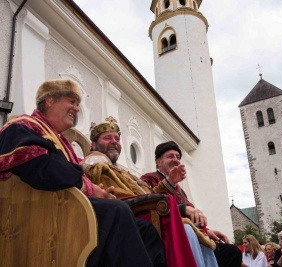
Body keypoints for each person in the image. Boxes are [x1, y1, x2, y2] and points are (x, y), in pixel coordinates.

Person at [0, 79, 166, 267]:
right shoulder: (23, 126)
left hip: (64, 205)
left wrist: (96, 190)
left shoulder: (58, 138)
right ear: (49, 101)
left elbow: (63, 170)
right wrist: (87, 186)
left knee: (146, 230)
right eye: (71, 101)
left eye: (78, 104)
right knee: (117, 211)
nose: (77, 108)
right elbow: (37, 167)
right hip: (40, 214)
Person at [81, 117, 217, 267]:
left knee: (217, 246)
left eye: (117, 139)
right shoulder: (96, 163)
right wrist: (171, 188)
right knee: (186, 229)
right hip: (134, 213)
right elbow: (123, 196)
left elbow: (148, 193)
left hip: (146, 209)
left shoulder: (123, 172)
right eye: (107, 138)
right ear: (93, 144)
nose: (114, 141)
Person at [140, 141, 243, 267]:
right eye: (170, 156)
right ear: (158, 162)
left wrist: (207, 231)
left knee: (233, 252)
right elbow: (147, 202)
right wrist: (183, 208)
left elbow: (193, 216)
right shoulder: (148, 179)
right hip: (168, 234)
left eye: (178, 157)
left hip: (193, 233)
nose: (176, 160)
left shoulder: (180, 190)